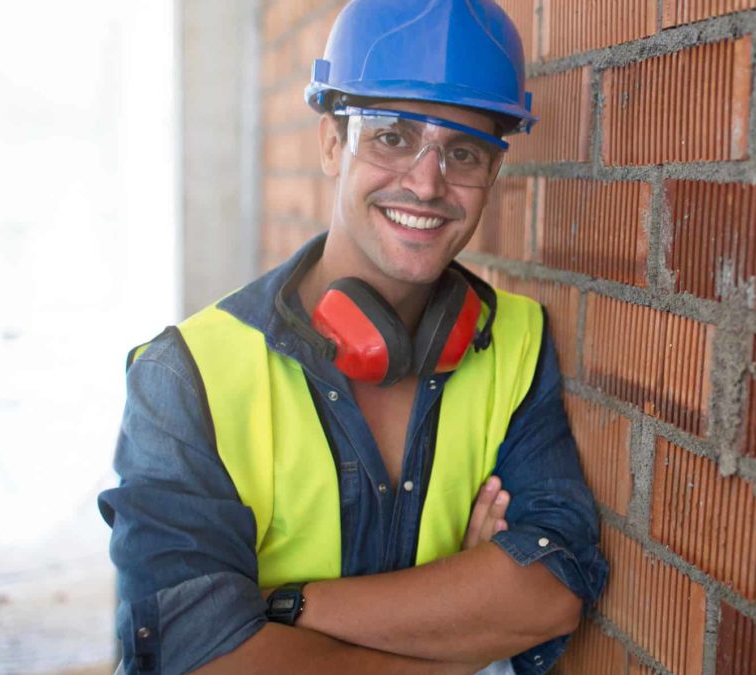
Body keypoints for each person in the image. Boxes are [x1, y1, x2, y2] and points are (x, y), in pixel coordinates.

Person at [97, 0, 607, 672]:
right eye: (391, 136)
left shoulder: (516, 342)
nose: (426, 183)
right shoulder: (186, 376)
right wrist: (461, 636)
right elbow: (195, 656)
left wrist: (285, 605)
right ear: (332, 142)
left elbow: (549, 591)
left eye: (464, 151)